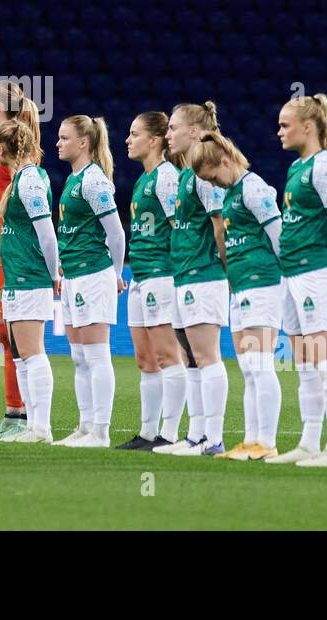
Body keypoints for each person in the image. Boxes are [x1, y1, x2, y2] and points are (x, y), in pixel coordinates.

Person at [267, 93, 327, 467]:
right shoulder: (297, 168)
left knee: (326, 358)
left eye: (285, 125)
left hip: (316, 271)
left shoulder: (324, 168)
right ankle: (309, 442)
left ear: (308, 127)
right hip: (292, 274)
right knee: (304, 362)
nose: (279, 132)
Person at [190, 130, 284, 460]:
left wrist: (287, 281)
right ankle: (250, 440)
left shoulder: (254, 188)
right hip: (242, 287)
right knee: (248, 367)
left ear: (227, 161)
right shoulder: (231, 194)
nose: (213, 185)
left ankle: (267, 444)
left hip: (264, 284)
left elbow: (278, 237)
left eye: (214, 177)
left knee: (260, 364)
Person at [158, 101, 228, 456]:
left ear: (195, 132)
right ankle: (196, 435)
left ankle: (213, 439)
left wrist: (227, 271)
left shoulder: (205, 172)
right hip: (184, 275)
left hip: (205, 276)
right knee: (190, 359)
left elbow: (221, 227)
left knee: (206, 356)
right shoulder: (186, 173)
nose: (167, 135)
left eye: (173, 128)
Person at [52, 115, 125, 448]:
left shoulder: (93, 180)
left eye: (64, 137)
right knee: (79, 356)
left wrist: (116, 273)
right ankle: (85, 426)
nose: (58, 143)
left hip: (93, 274)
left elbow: (116, 232)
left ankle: (101, 430)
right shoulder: (73, 180)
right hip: (73, 276)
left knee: (96, 355)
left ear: (83, 142)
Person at [115, 112, 185, 450]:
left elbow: (180, 229)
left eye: (134, 133)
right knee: (146, 359)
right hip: (140, 275)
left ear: (154, 140)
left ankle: (169, 434)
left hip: (162, 275)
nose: (128, 140)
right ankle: (146, 432)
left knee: (168, 356)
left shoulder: (166, 177)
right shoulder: (144, 179)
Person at [0, 80, 41, 438]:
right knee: (5, 336)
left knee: (12, 337)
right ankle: (15, 412)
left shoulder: (14, 150)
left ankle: (22, 415)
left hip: (6, 255)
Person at [0, 118, 60, 444]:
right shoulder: (18, 178)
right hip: (17, 278)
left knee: (33, 354)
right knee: (21, 356)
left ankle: (42, 428)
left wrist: (54, 273)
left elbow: (46, 231)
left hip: (30, 277)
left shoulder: (31, 179)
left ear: (2, 148)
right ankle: (31, 426)